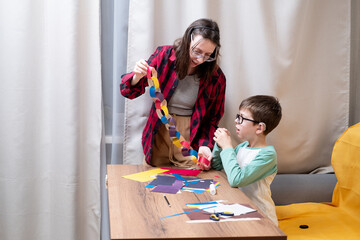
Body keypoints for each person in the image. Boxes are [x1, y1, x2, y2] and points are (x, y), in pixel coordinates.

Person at [120, 18, 226, 169]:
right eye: (197, 51)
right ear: (187, 40)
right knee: (153, 183)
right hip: (160, 132)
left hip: (190, 136)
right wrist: (137, 76)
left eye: (208, 54)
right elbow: (128, 91)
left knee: (191, 188)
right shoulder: (164, 56)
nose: (201, 59)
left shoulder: (216, 78)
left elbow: (212, 119)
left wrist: (205, 145)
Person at [211, 95, 282, 226]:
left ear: (260, 128)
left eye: (241, 118)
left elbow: (237, 180)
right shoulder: (243, 147)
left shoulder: (268, 156)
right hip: (239, 212)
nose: (236, 121)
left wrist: (227, 146)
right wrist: (219, 145)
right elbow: (217, 165)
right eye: (238, 116)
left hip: (261, 219)